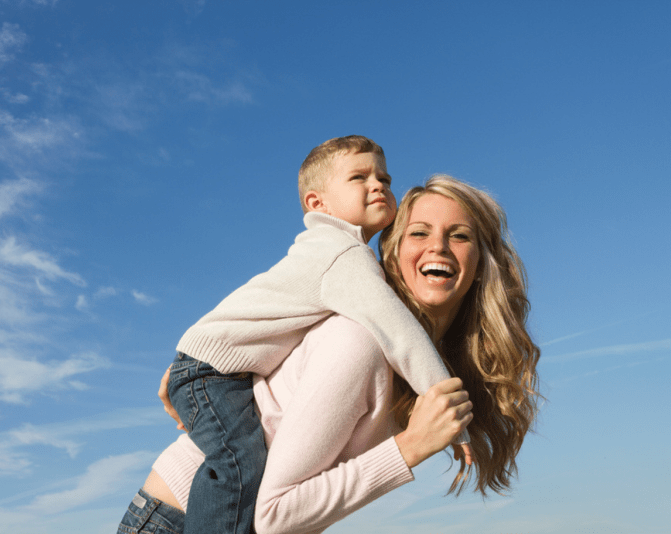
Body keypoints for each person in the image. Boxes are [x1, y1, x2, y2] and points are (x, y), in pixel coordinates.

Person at [117, 174, 540, 534]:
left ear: (482, 261)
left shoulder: (417, 357)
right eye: (419, 232)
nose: (439, 247)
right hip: (178, 521)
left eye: (460, 235)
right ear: (392, 254)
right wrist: (410, 446)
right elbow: (275, 514)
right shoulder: (359, 339)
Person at [159, 136, 471, 534]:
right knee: (237, 464)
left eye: (385, 177)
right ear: (317, 204)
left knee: (239, 463)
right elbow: (402, 335)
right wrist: (450, 414)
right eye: (359, 177)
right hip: (206, 394)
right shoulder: (345, 258)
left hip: (212, 369)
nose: (378, 185)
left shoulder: (336, 261)